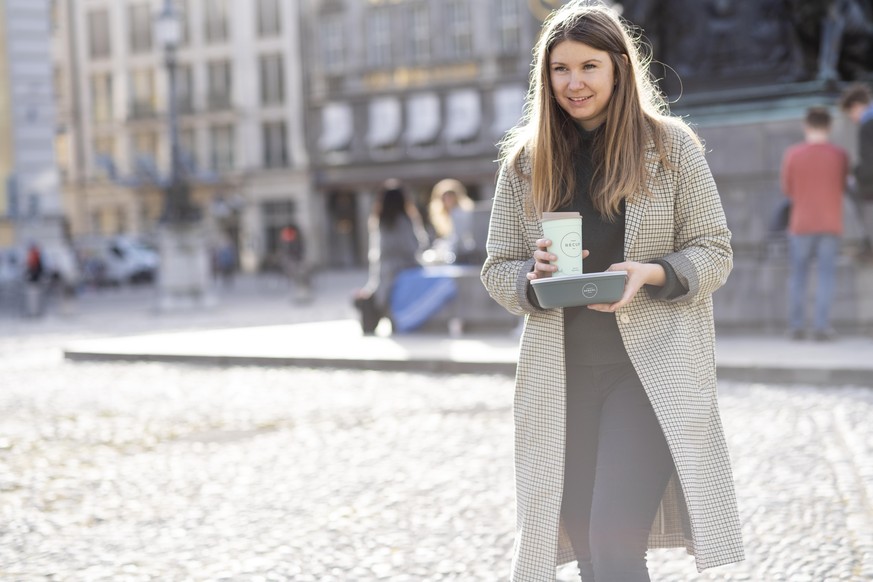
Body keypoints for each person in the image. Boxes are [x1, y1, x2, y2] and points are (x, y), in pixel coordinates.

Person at [480, 3, 744, 580]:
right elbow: (496, 269)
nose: (573, 83)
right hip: (561, 380)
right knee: (590, 553)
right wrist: (531, 276)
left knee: (615, 542)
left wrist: (648, 274)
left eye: (589, 66)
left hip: (650, 375)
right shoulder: (526, 162)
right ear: (543, 76)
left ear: (620, 67)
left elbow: (715, 251)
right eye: (559, 69)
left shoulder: (670, 147)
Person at [780, 107, 849, 341]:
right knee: (826, 277)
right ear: (829, 127)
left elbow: (787, 189)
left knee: (798, 277)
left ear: (806, 126)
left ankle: (796, 326)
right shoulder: (839, 155)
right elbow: (842, 186)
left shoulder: (793, 154)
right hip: (830, 222)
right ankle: (821, 328)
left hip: (801, 224)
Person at [354, 179, 428, 334]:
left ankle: (389, 321)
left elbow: (377, 251)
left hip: (384, 270)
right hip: (406, 268)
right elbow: (414, 246)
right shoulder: (404, 220)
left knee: (385, 297)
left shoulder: (379, 221)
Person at [839, 83, 873, 256]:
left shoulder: (867, 126)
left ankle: (867, 244)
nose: (853, 119)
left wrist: (855, 172)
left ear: (856, 106)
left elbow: (869, 165)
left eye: (850, 114)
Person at [427, 178, 475, 263]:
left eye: (450, 195)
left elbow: (459, 239)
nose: (448, 199)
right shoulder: (442, 215)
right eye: (445, 196)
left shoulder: (462, 213)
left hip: (465, 256)